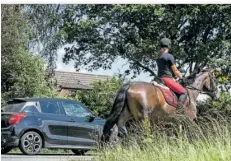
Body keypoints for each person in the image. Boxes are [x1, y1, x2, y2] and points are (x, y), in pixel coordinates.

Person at [156, 38, 188, 112]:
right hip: (167, 79)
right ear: (168, 46)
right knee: (184, 92)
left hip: (159, 78)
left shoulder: (158, 57)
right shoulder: (169, 56)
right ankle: (179, 112)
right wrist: (182, 78)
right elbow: (176, 71)